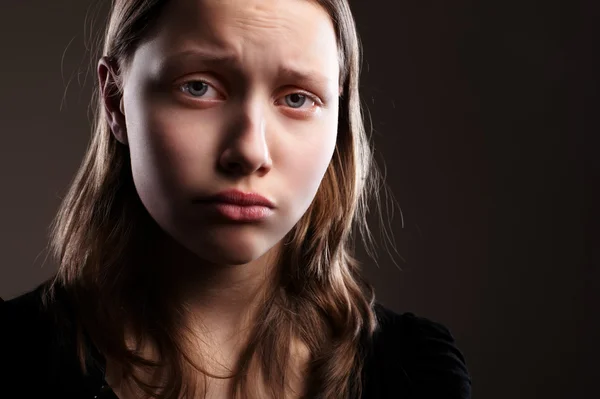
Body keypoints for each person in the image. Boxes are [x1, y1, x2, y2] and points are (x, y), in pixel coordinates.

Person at [0, 0, 472, 398]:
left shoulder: (417, 374)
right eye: (199, 87)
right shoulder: (15, 358)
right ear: (114, 99)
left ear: (339, 116)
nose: (249, 151)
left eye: (297, 98)